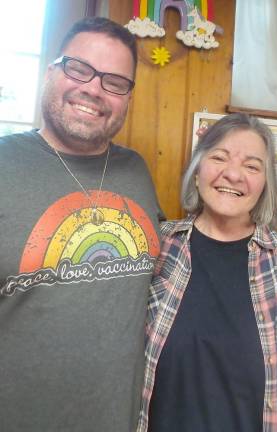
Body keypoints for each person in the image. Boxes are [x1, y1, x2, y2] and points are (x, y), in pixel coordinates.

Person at [0, 17, 163, 432]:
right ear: (51, 70)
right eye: (78, 68)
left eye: (114, 81)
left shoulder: (136, 171)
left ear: (128, 97)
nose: (93, 89)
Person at [137, 113, 277, 431]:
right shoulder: (155, 247)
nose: (233, 174)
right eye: (219, 157)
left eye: (252, 166)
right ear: (197, 173)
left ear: (264, 186)